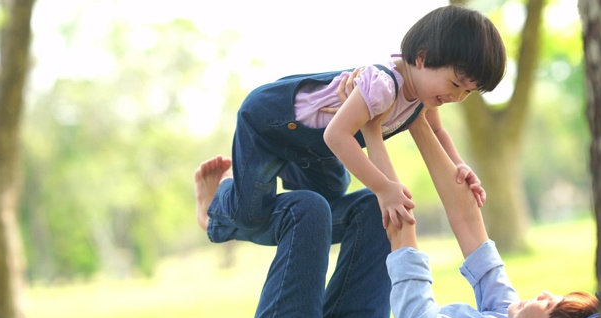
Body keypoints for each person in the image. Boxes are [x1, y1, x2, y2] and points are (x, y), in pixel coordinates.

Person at [238, 115, 597, 318]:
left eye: (550, 306)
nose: (547, 294)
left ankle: (222, 216)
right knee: (367, 208)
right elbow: (470, 226)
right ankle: (287, 164)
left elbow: (404, 244)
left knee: (309, 211)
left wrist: (373, 127)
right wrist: (419, 116)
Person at [195, 5, 507, 245]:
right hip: (270, 122)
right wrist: (383, 189)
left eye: (467, 91)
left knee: (333, 190)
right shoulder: (383, 85)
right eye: (455, 83)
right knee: (250, 214)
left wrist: (459, 164)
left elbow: (437, 132)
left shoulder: (424, 95)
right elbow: (336, 135)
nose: (457, 96)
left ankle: (282, 168)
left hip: (310, 148)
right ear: (422, 58)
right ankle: (221, 196)